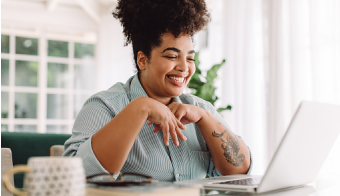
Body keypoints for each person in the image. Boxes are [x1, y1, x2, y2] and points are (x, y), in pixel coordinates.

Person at [64, 0, 252, 181]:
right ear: (142, 60)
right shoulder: (104, 107)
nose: (184, 68)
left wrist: (205, 119)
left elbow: (240, 171)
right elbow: (74, 177)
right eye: (172, 56)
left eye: (190, 58)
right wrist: (140, 108)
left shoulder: (200, 110)